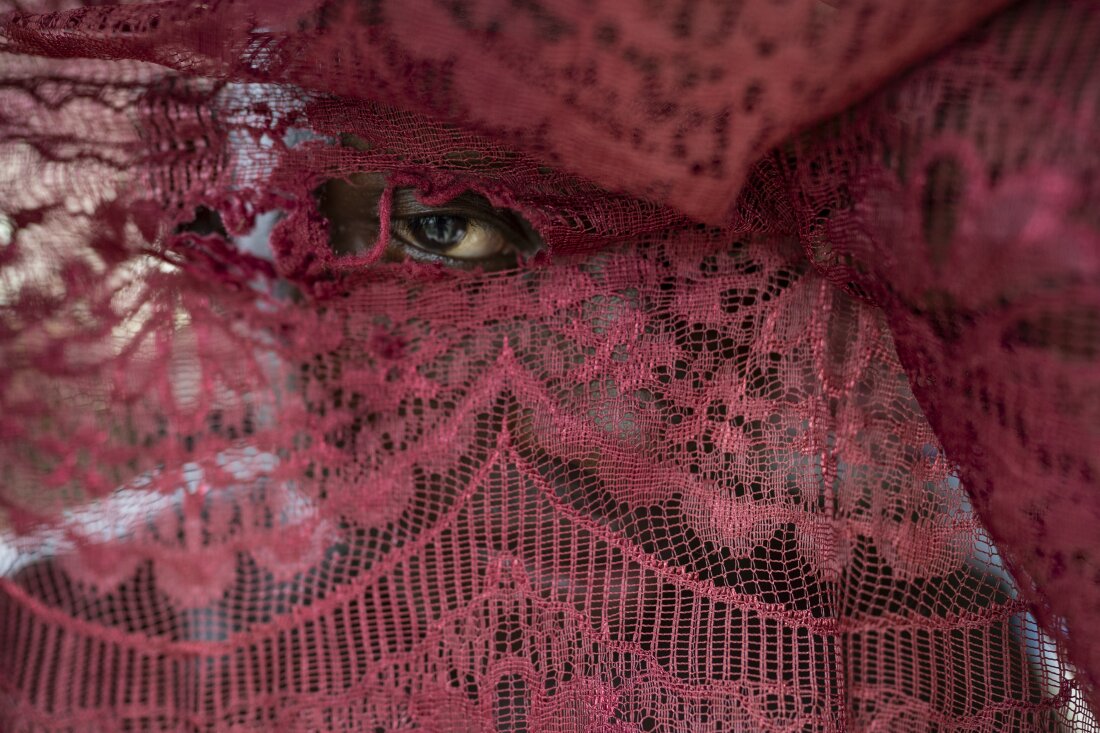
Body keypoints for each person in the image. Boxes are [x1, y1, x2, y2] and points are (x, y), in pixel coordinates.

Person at [0, 1, 1097, 730]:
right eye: (276, 233)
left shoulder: (907, 645)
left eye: (438, 231)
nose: (320, 324)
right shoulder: (107, 618)